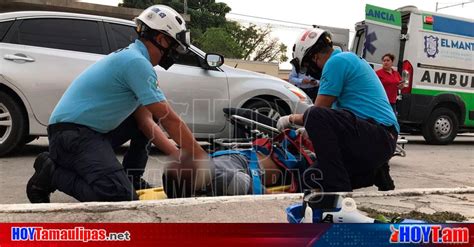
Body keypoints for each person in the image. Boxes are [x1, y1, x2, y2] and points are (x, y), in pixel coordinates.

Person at [26, 5, 209, 203]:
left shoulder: (132, 58)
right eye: (173, 47)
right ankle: (52, 172)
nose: (173, 54)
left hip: (84, 133)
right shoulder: (136, 63)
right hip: (72, 136)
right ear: (161, 39)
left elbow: (146, 122)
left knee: (149, 114)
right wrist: (201, 158)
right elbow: (170, 119)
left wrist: (179, 155)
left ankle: (132, 178)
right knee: (119, 196)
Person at [277, 28, 399, 192]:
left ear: (314, 57)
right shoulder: (347, 60)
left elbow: (318, 111)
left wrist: (290, 119)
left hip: (379, 136)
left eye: (308, 65)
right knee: (312, 178)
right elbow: (336, 122)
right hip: (377, 140)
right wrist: (309, 130)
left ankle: (339, 192)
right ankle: (375, 173)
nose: (311, 71)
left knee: (314, 115)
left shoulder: (336, 62)